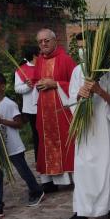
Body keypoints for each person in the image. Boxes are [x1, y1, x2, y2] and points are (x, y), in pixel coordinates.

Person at [61, 57, 110, 219]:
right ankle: (82, 212)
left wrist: (99, 91)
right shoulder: (78, 70)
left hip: (108, 127)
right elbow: (72, 99)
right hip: (87, 125)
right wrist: (80, 94)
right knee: (84, 166)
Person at [0, 73, 45, 219]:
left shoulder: (9, 104)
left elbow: (19, 124)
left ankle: (36, 191)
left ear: (2, 87)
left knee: (23, 171)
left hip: (13, 147)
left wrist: (2, 121)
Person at [33, 28, 76, 192]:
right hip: (45, 111)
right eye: (40, 41)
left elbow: (74, 85)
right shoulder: (40, 61)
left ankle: (70, 177)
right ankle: (50, 180)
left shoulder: (65, 59)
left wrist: (56, 84)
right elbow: (37, 80)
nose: (43, 44)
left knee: (66, 141)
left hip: (62, 110)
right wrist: (38, 84)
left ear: (54, 40)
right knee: (46, 142)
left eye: (46, 40)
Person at [14, 45, 40, 161]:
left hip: (47, 105)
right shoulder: (21, 70)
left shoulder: (43, 66)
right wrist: (28, 86)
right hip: (32, 108)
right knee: (37, 134)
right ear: (35, 55)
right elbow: (17, 89)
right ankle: (38, 159)